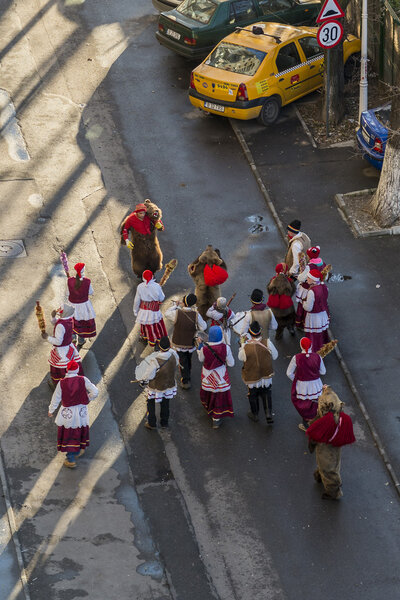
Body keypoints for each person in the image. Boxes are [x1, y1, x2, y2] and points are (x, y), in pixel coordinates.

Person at [306, 385, 355, 500]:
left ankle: (333, 491)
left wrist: (311, 443)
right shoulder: (339, 416)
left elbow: (315, 433)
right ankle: (321, 476)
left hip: (325, 446)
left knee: (327, 467)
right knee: (333, 463)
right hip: (333, 445)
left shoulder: (327, 420)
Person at [48, 359, 98, 468]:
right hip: (81, 411)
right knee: (79, 430)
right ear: (77, 369)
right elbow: (95, 392)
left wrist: (51, 410)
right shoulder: (83, 379)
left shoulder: (61, 383)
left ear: (67, 370)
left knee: (69, 433)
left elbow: (56, 398)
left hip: (67, 413)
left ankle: (70, 459)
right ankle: (77, 450)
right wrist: (88, 398)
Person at [135, 336, 179, 430]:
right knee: (165, 404)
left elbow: (149, 375)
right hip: (169, 384)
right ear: (169, 345)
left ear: (159, 346)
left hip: (156, 386)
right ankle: (164, 423)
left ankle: (151, 423)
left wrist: (142, 380)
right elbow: (176, 364)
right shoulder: (174, 354)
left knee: (150, 403)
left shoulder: (155, 360)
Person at [238, 321, 278, 424]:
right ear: (260, 332)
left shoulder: (245, 347)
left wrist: (242, 344)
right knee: (266, 392)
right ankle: (268, 413)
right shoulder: (267, 342)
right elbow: (275, 355)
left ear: (250, 334)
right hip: (266, 374)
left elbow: (240, 357)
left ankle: (254, 414)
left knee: (253, 394)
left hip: (252, 375)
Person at [165, 293, 207, 390]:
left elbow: (167, 313)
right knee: (188, 359)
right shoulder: (196, 315)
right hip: (190, 343)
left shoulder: (177, 313)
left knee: (182, 361)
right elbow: (204, 327)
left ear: (183, 302)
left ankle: (186, 380)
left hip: (179, 341)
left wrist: (176, 305)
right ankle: (188, 372)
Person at [197, 325, 235, 429]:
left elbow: (201, 359)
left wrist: (199, 346)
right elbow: (231, 364)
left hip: (208, 375)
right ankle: (217, 418)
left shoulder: (205, 348)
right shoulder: (226, 348)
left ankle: (210, 409)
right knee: (219, 396)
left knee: (209, 393)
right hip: (221, 375)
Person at [286, 337, 326, 429]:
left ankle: (306, 425)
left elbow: (289, 373)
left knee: (305, 406)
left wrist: (297, 380)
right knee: (316, 404)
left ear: (301, 346)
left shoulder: (296, 358)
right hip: (316, 385)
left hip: (302, 386)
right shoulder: (317, 357)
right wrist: (314, 374)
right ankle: (317, 423)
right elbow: (323, 372)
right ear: (311, 345)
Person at [42, 304, 83, 388]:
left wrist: (47, 337)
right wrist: (53, 317)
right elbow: (57, 322)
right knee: (70, 367)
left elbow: (58, 341)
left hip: (61, 351)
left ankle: (60, 387)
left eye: (60, 312)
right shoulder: (69, 320)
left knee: (60, 370)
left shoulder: (60, 326)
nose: (58, 313)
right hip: (69, 347)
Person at [120, 200, 164, 278]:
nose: (142, 215)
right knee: (139, 262)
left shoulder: (149, 217)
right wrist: (126, 240)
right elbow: (125, 229)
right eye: (140, 213)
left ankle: (151, 273)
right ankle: (141, 275)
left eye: (144, 213)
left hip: (152, 242)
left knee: (154, 259)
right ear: (136, 213)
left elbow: (158, 221)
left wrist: (159, 226)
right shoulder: (131, 219)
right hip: (138, 244)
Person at [133, 269, 167, 346]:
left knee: (145, 326)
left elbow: (137, 300)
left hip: (143, 311)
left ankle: (145, 339)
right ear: (152, 276)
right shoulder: (156, 286)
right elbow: (162, 298)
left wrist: (135, 311)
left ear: (143, 278)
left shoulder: (140, 287)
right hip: (154, 311)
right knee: (156, 326)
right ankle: (158, 343)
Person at [67, 262, 96, 350]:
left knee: (73, 321)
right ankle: (81, 340)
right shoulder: (87, 281)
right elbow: (91, 292)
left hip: (72, 305)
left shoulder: (70, 281)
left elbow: (66, 293)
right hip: (84, 305)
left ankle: (73, 337)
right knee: (82, 322)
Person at [301, 269, 330, 352]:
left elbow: (308, 308)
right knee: (321, 335)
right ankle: (322, 349)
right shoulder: (325, 287)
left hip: (313, 318)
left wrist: (304, 302)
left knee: (313, 336)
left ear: (313, 279)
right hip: (322, 315)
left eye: (308, 278)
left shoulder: (311, 291)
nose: (307, 279)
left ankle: (313, 351)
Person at [267, 263, 296, 340]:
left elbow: (268, 291)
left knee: (279, 326)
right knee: (290, 321)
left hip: (276, 311)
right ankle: (291, 329)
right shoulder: (290, 281)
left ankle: (278, 335)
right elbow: (293, 291)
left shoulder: (272, 281)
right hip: (288, 309)